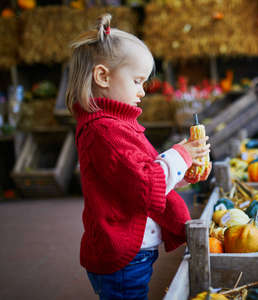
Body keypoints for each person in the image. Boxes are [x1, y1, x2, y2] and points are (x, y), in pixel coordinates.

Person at [66, 14, 211, 300]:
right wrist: (180, 155)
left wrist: (182, 173)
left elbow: (135, 180)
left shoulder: (115, 125)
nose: (142, 92)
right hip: (123, 257)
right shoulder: (105, 130)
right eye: (136, 81)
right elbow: (145, 184)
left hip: (133, 253)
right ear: (102, 77)